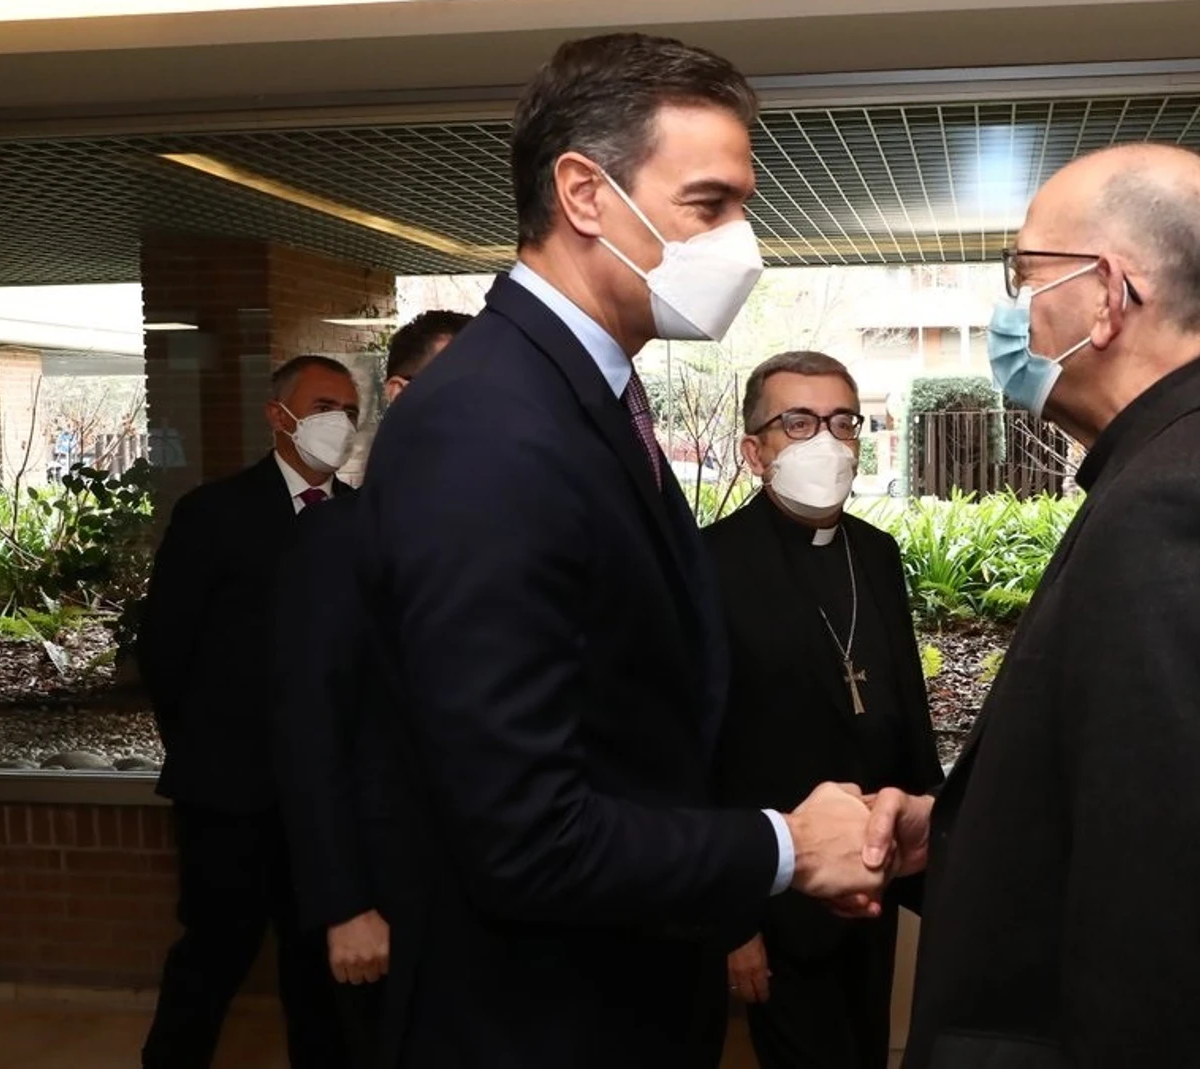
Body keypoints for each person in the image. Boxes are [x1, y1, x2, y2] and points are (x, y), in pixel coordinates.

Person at [351, 33, 888, 1069]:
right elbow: (523, 831)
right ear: (584, 193)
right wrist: (781, 847)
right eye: (708, 204)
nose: (742, 241)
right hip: (532, 1020)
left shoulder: (575, 398)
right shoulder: (490, 428)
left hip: (616, 995)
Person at [866, 144, 1200, 1068]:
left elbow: (1173, 937)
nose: (1011, 309)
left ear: (1107, 295)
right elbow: (1138, 802)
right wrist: (955, 833)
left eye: (1024, 273)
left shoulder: (1184, 507)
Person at [707, 350, 944, 1069]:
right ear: (755, 450)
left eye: (843, 421)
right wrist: (732, 921)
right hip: (778, 897)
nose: (825, 440)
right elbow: (701, 758)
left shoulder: (875, 551)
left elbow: (905, 706)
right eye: (798, 421)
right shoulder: (709, 564)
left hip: (875, 881)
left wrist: (938, 850)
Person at [138, 354, 362, 1069]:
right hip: (228, 797)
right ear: (279, 415)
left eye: (352, 410)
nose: (341, 422)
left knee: (322, 977)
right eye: (326, 404)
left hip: (327, 807)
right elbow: (166, 653)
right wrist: (210, 752)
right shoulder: (214, 514)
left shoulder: (365, 519)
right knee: (210, 959)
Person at [271, 311, 470, 1069]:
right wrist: (345, 904)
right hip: (385, 900)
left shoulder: (507, 530)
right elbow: (309, 734)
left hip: (490, 900)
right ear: (400, 393)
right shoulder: (334, 543)